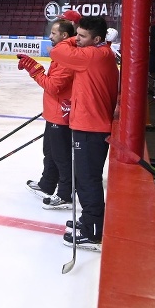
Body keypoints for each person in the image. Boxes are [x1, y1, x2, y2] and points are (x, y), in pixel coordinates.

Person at [49, 15, 119, 251]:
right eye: (76, 34)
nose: (77, 40)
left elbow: (57, 52)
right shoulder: (100, 52)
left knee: (87, 180)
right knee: (85, 177)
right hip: (89, 125)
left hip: (91, 127)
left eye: (82, 36)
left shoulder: (93, 55)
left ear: (97, 39)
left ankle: (92, 231)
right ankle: (89, 220)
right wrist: (77, 38)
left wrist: (69, 39)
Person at [19, 19, 76, 210]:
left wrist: (34, 70)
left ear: (64, 35)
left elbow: (54, 86)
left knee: (62, 157)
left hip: (61, 113)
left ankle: (65, 194)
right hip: (53, 112)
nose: (50, 36)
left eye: (53, 33)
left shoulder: (66, 56)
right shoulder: (62, 54)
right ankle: (47, 184)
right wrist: (34, 66)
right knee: (50, 153)